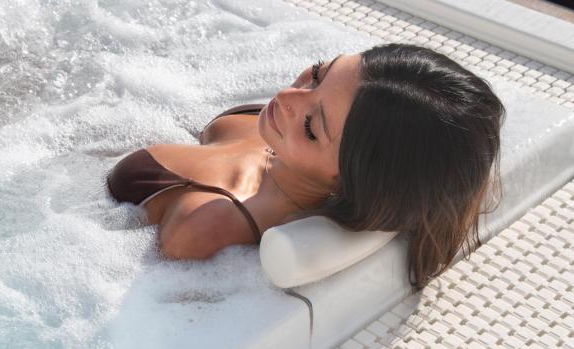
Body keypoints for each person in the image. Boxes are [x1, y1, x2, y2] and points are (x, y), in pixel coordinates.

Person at [107, 43, 505, 289]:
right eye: (318, 75)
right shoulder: (290, 138)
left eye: (312, 126)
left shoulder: (206, 229)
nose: (286, 95)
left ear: (351, 179)